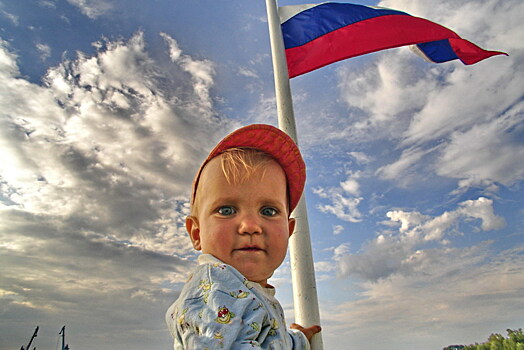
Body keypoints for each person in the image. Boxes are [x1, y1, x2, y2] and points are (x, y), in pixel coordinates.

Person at [166, 124, 321, 349]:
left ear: (289, 231)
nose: (250, 226)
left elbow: (270, 340)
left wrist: (299, 340)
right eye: (227, 210)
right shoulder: (214, 290)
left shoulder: (244, 291)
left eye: (268, 211)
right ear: (197, 233)